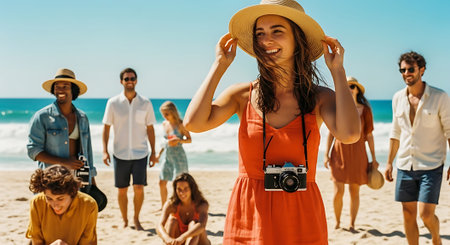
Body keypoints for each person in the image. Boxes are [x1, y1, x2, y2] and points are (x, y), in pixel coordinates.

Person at [183, 0, 361, 243]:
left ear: (297, 39)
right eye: (260, 33)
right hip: (250, 214)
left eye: (277, 31)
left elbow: (350, 134)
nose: (266, 40)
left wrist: (337, 71)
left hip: (301, 214)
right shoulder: (242, 95)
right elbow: (193, 123)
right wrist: (219, 65)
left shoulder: (319, 98)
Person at [384, 51, 450, 245]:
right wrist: (389, 162)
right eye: (402, 70)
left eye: (410, 69)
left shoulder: (440, 97)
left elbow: (449, 130)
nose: (406, 73)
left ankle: (436, 239)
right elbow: (395, 132)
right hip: (405, 165)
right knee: (407, 214)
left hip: (431, 165)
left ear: (422, 70)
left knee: (426, 215)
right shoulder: (397, 98)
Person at [102, 67, 157, 230]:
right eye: (126, 79)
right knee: (122, 191)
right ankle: (125, 220)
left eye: (132, 78)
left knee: (139, 188)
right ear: (121, 81)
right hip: (120, 153)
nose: (130, 81)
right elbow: (106, 128)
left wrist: (154, 153)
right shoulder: (113, 103)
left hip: (141, 153)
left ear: (136, 80)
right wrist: (105, 151)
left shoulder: (145, 103)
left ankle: (136, 219)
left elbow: (150, 129)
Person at [27, 68, 98, 194]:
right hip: (51, 180)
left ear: (73, 90)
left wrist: (92, 182)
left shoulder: (82, 118)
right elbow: (33, 150)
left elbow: (88, 153)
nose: (60, 90)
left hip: (78, 180)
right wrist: (64, 162)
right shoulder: (42, 116)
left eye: (65, 86)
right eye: (57, 86)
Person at [323, 76, 379, 231]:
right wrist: (325, 154)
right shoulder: (337, 108)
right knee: (338, 192)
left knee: (354, 191)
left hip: (358, 154)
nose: (350, 89)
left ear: (357, 90)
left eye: (353, 87)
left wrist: (374, 159)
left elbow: (369, 135)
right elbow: (331, 134)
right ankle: (337, 222)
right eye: (347, 86)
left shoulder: (365, 110)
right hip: (339, 153)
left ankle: (352, 223)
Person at [26, 165, 98, 245]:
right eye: (49, 198)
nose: (55, 205)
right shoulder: (37, 202)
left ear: (72, 192)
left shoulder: (89, 205)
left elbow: (88, 242)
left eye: (60, 199)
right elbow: (37, 242)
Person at [155, 101, 192, 210]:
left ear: (172, 112)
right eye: (163, 114)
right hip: (167, 156)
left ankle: (179, 205)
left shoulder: (181, 124)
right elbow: (164, 142)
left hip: (179, 156)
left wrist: (179, 140)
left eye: (166, 114)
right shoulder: (164, 124)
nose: (165, 116)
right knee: (162, 181)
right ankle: (163, 206)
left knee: (179, 183)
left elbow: (189, 140)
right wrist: (158, 155)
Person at [157, 173, 210, 245]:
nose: (182, 193)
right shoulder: (171, 204)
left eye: (186, 189)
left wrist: (183, 237)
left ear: (192, 189)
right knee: (172, 221)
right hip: (178, 242)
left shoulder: (201, 204)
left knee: (194, 224)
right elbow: (159, 225)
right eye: (179, 189)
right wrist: (167, 238)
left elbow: (202, 225)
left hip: (199, 242)